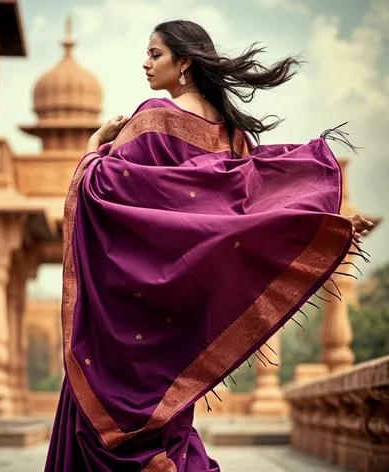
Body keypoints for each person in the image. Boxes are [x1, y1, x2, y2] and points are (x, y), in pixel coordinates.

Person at [45, 20, 374, 472]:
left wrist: (91, 148)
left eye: (155, 54)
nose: (145, 62)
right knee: (171, 430)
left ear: (185, 63)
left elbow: (100, 192)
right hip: (180, 322)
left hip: (132, 327)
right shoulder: (234, 138)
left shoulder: (153, 120)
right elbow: (247, 217)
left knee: (102, 425)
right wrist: (318, 226)